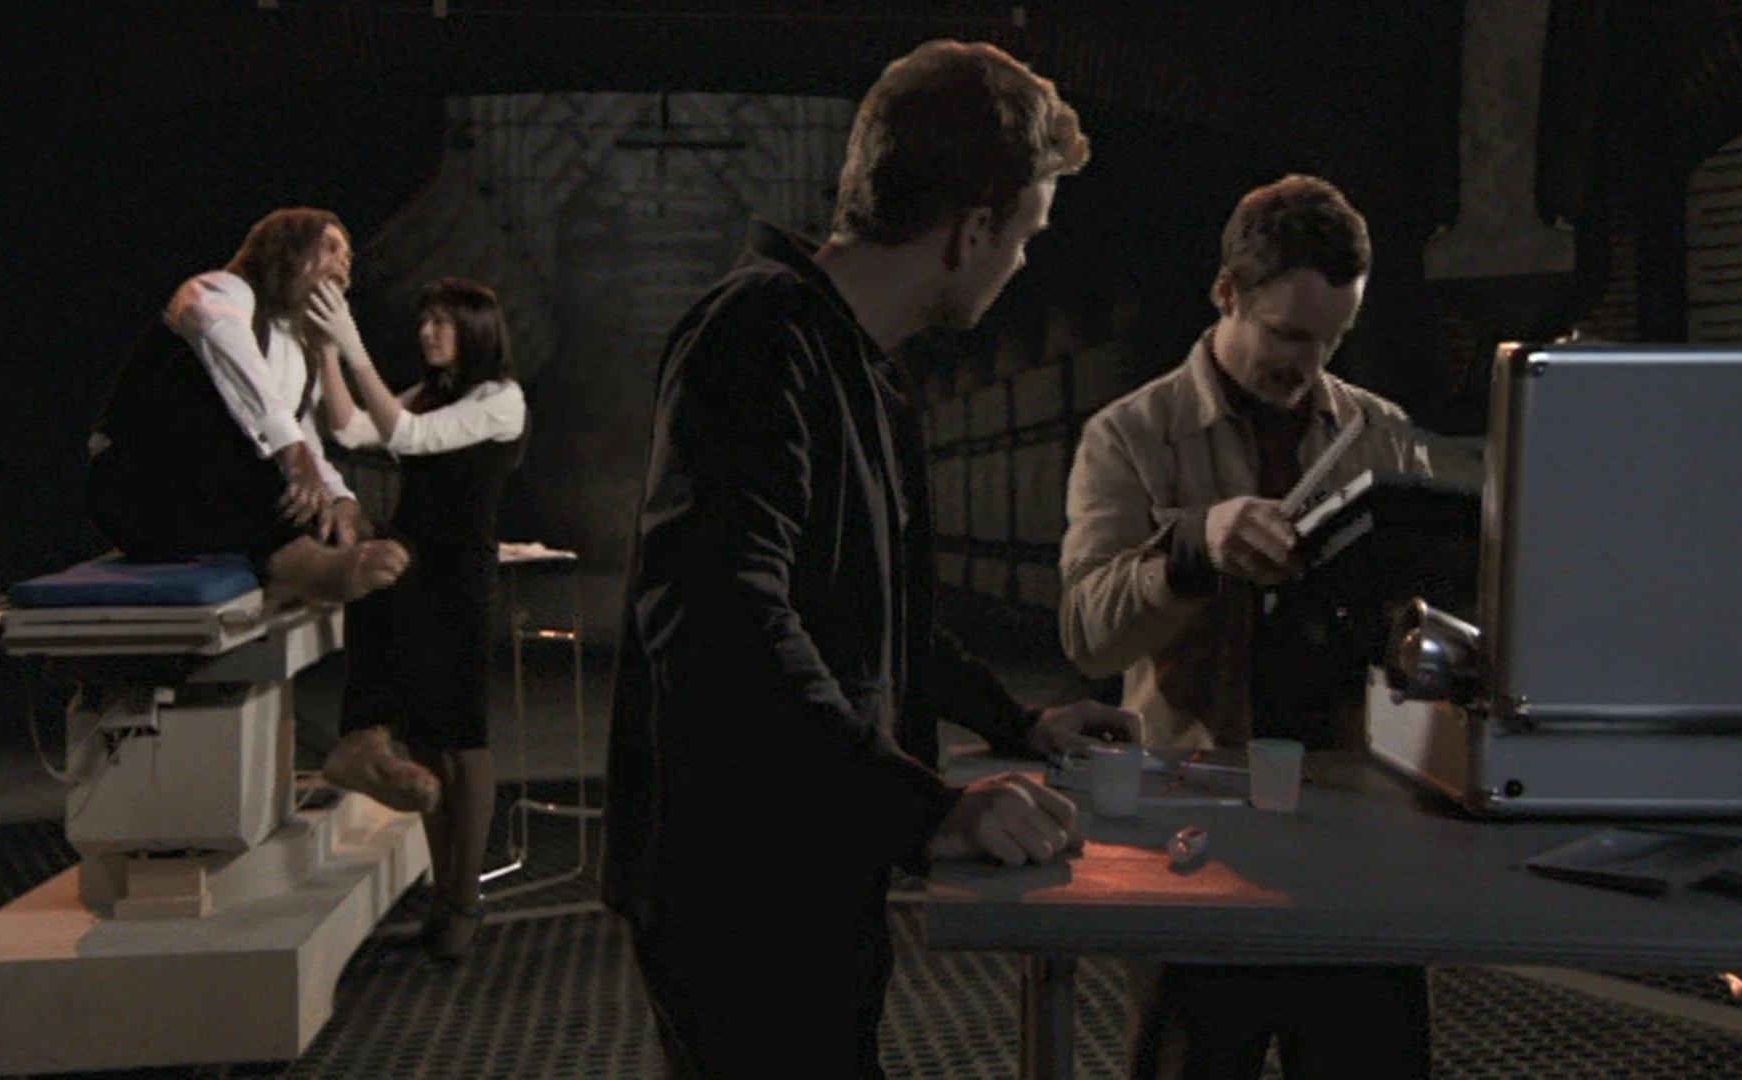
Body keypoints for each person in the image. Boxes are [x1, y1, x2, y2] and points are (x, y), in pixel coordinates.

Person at [603, 39, 1139, 1079]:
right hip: (739, 878)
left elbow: (872, 614)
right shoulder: (760, 334)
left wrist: (1015, 722)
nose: (1022, 264)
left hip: (812, 847)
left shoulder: (853, 362)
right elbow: (720, 623)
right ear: (972, 232)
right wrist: (930, 806)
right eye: (1025, 236)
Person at [1059, 175, 1481, 1078]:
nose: (1308, 364)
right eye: (1288, 335)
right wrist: (1193, 549)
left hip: (1355, 821)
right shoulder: (1131, 435)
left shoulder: (1377, 430)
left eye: (1332, 338)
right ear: (1227, 294)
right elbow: (1089, 634)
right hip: (1200, 828)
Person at [309, 276, 528, 962]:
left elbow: (408, 437)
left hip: (457, 575)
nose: (427, 332)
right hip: (411, 570)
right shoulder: (430, 392)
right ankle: (444, 895)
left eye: (442, 322)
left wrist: (353, 345)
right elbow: (351, 429)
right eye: (425, 320)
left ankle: (465, 897)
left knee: (463, 738)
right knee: (427, 741)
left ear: (476, 330)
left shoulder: (500, 399)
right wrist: (326, 352)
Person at [86, 206, 409, 606]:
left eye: (347, 256)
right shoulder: (217, 290)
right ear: (286, 250)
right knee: (247, 427)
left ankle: (320, 553)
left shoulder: (298, 347)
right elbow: (228, 348)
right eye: (330, 248)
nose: (343, 263)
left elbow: (303, 437)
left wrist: (340, 499)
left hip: (214, 502)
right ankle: (294, 564)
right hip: (137, 489)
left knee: (361, 527)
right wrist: (292, 455)